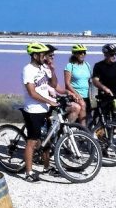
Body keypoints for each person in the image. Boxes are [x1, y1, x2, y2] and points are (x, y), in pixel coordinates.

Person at [21, 43, 58, 182]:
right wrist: (49, 101)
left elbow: (53, 85)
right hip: (33, 110)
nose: (45, 56)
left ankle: (46, 167)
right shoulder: (28, 70)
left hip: (45, 109)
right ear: (35, 55)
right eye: (42, 54)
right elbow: (32, 93)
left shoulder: (43, 68)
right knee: (32, 141)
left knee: (46, 140)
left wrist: (52, 70)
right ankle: (28, 173)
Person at [44, 44, 82, 124]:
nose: (53, 57)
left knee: (77, 107)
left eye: (53, 55)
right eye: (50, 55)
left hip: (53, 100)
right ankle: (64, 130)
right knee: (75, 107)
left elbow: (56, 87)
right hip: (47, 101)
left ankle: (63, 130)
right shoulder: (41, 68)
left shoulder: (49, 67)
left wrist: (68, 92)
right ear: (44, 55)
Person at [92, 44, 116, 118]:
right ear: (106, 54)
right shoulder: (98, 66)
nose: (114, 56)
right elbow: (95, 81)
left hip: (115, 95)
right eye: (112, 54)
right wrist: (105, 88)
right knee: (103, 118)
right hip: (104, 97)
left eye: (115, 54)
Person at [64, 44, 90, 125]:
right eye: (80, 52)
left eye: (84, 52)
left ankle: (81, 132)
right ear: (75, 54)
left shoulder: (87, 65)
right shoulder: (70, 66)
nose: (82, 54)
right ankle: (84, 132)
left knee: (87, 115)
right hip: (75, 96)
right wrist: (76, 95)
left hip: (86, 95)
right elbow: (67, 83)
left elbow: (90, 80)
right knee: (81, 107)